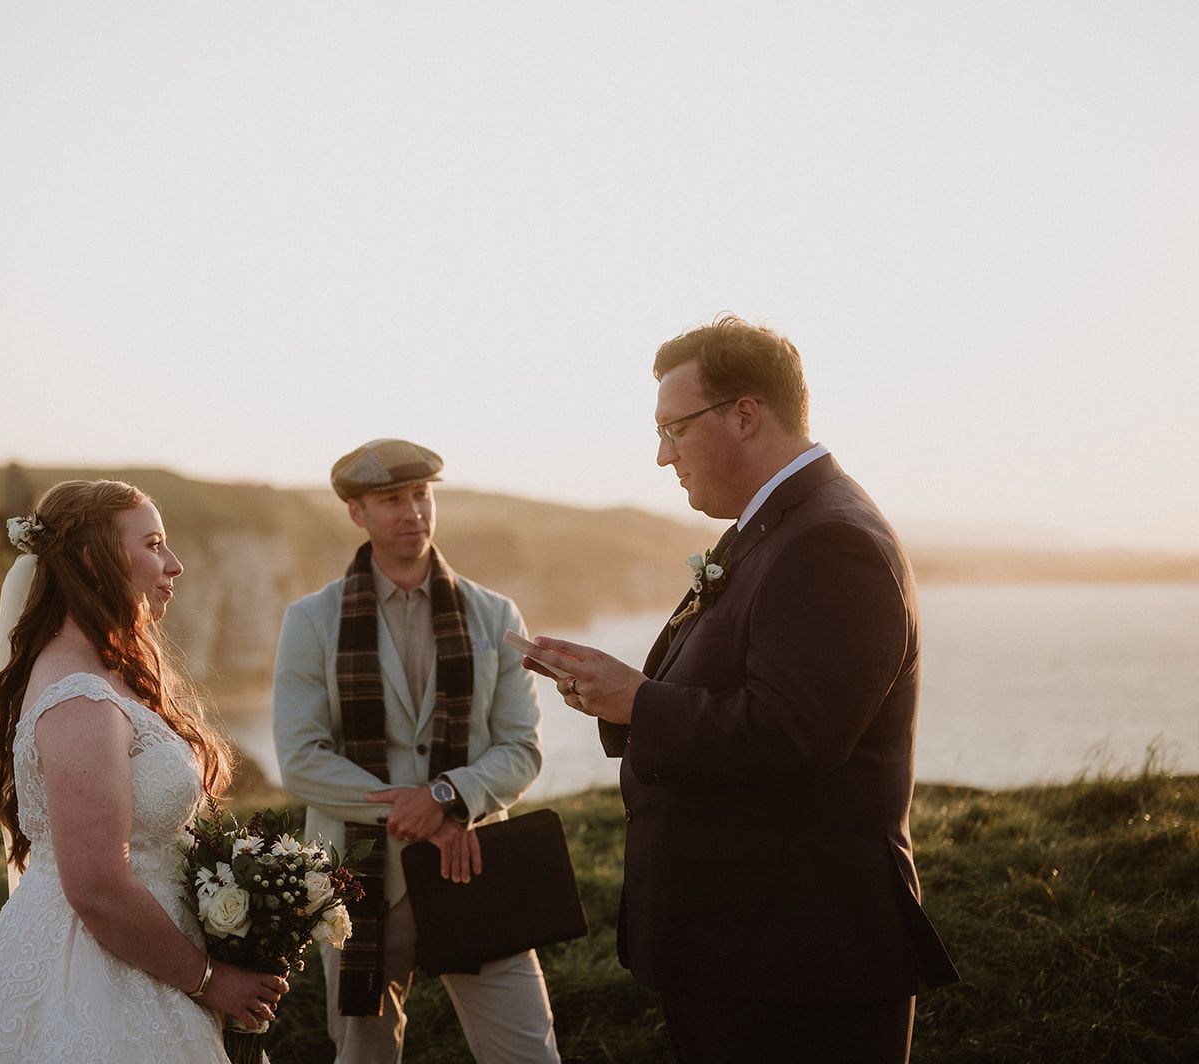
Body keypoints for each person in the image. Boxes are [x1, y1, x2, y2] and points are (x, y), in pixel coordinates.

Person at [522, 317, 959, 1063]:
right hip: (747, 948)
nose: (664, 456)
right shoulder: (774, 529)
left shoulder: (830, 540)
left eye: (675, 429)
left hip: (799, 962)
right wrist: (614, 692)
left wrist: (639, 700)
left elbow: (794, 737)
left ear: (745, 414)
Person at [0, 480, 286, 1063]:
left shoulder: (109, 672)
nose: (175, 564)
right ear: (93, 558)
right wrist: (211, 980)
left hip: (147, 954)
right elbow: (96, 886)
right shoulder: (78, 697)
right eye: (154, 544)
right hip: (93, 977)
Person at [272, 439, 560, 1063]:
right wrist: (414, 812)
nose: (413, 512)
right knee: (363, 1056)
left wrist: (446, 799)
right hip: (357, 879)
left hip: (473, 862)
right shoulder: (311, 620)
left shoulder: (494, 614)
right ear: (357, 512)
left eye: (422, 495)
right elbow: (301, 758)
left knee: (527, 1054)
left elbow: (522, 747)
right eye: (391, 499)